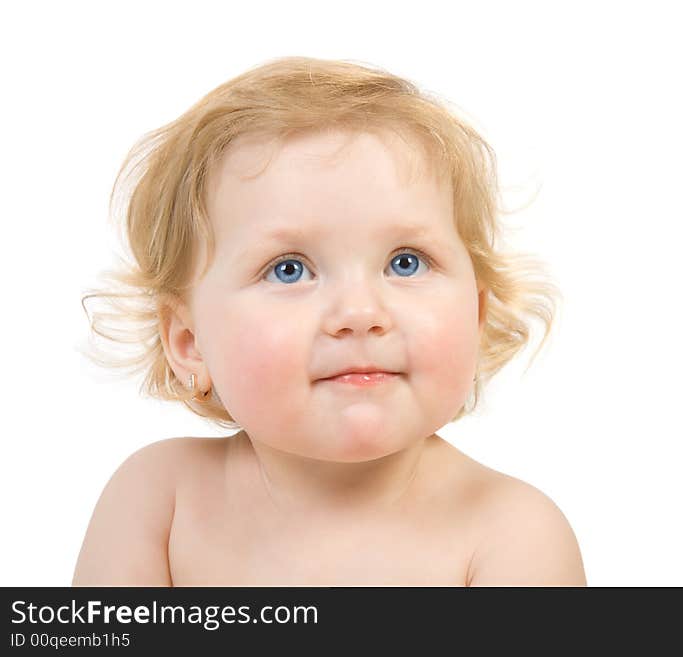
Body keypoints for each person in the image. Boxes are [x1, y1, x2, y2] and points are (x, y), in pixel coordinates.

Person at [73, 56, 586, 586]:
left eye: (405, 262)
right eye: (289, 270)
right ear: (189, 343)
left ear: (476, 316)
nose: (360, 315)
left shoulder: (512, 536)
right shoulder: (159, 503)